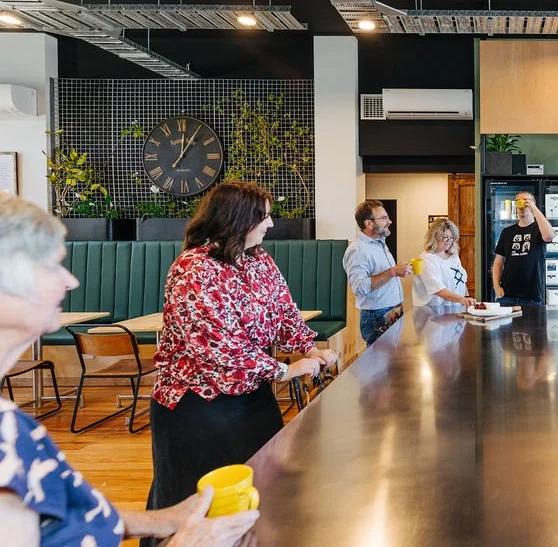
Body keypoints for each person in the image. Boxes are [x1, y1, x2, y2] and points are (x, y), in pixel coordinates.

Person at [0, 192, 258, 546]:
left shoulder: (11, 422)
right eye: (50, 265)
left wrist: (164, 519)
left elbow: (67, 516)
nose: (70, 280)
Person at [146, 182, 337, 524]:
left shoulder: (259, 259)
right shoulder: (193, 268)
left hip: (251, 394)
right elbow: (219, 345)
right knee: (202, 505)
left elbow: (285, 310)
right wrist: (285, 370)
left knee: (263, 489)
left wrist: (309, 347)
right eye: (264, 216)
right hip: (198, 404)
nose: (271, 224)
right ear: (237, 219)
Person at [343, 199, 409, 346]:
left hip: (393, 310)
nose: (389, 221)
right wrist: (393, 271)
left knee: (392, 359)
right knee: (379, 360)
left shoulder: (380, 243)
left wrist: (396, 271)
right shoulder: (358, 250)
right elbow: (360, 287)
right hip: (376, 315)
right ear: (369, 223)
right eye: (384, 218)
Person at [492, 191, 555, 306]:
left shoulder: (539, 229)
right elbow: (498, 261)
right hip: (507, 295)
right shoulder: (507, 232)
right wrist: (496, 286)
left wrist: (533, 208)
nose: (523, 204)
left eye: (527, 200)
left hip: (533, 296)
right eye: (519, 201)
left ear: (533, 204)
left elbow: (549, 236)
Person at [411, 218, 476, 308]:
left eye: (452, 237)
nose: (449, 240)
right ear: (434, 237)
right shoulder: (426, 259)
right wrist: (461, 299)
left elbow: (461, 282)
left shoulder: (453, 256)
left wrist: (466, 298)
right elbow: (438, 289)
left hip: (454, 308)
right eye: (445, 237)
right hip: (433, 311)